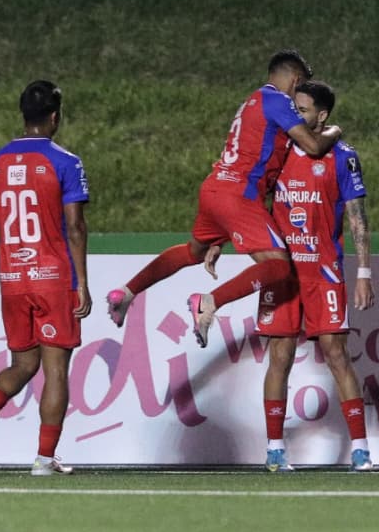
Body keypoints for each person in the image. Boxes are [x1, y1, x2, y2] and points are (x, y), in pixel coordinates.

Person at [104, 50, 342, 346]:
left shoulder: (251, 101)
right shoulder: (279, 101)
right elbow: (313, 146)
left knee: (193, 251)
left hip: (215, 188)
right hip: (238, 194)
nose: (298, 99)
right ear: (294, 80)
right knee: (279, 265)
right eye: (301, 86)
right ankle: (209, 303)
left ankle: (125, 293)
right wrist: (334, 131)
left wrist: (221, 235)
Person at [251, 80, 375, 471]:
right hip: (283, 273)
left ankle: (360, 450)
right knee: (280, 358)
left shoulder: (343, 156)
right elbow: (248, 197)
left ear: (321, 116)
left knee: (337, 355)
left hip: (324, 271)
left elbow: (357, 216)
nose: (294, 115)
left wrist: (364, 272)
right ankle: (274, 450)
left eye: (302, 110)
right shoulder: (280, 150)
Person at [0, 80, 91, 475]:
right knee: (55, 369)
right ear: (55, 117)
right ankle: (44, 458)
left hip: (13, 277)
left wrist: (14, 260)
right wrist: (82, 282)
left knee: (23, 364)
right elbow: (75, 227)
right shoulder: (65, 161)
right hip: (53, 277)